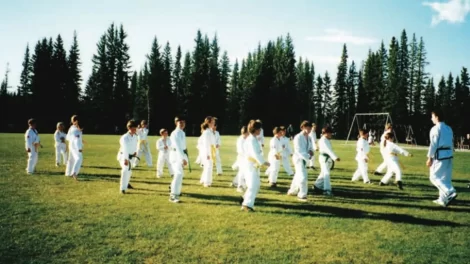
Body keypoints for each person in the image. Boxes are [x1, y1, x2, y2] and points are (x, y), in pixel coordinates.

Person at [426, 110, 457, 207]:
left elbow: (433, 144)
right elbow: (451, 142)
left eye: (432, 116)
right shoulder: (448, 128)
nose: (431, 119)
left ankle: (450, 191)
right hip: (449, 155)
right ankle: (442, 199)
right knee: (445, 178)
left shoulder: (435, 129)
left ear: (436, 117)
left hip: (440, 156)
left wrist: (429, 157)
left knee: (434, 177)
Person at [241, 120, 269, 211]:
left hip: (254, 164)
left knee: (256, 185)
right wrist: (263, 162)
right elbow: (254, 153)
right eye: (259, 129)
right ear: (255, 129)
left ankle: (245, 198)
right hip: (250, 164)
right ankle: (247, 205)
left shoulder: (254, 138)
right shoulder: (251, 140)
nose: (260, 131)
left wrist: (261, 161)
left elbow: (258, 152)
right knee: (253, 184)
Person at [287, 121, 314, 201]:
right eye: (307, 128)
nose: (309, 130)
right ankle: (302, 195)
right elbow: (299, 150)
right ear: (302, 128)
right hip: (298, 159)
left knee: (297, 176)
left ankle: (292, 191)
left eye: (310, 128)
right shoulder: (298, 137)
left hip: (305, 159)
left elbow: (310, 148)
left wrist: (311, 151)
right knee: (303, 177)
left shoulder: (309, 138)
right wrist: (308, 155)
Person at [313, 126, 340, 196]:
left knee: (323, 173)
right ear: (326, 133)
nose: (331, 134)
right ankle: (327, 190)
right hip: (324, 158)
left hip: (326, 158)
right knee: (326, 174)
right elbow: (328, 150)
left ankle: (317, 185)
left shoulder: (326, 140)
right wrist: (335, 157)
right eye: (330, 133)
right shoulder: (323, 140)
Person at [169, 116, 189, 203]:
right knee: (179, 174)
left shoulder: (182, 133)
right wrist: (182, 159)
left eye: (183, 122)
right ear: (176, 123)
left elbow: (183, 147)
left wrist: (185, 158)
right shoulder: (175, 133)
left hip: (180, 155)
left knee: (179, 175)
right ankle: (173, 196)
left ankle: (175, 190)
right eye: (180, 122)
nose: (182, 124)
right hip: (175, 156)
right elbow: (177, 147)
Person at [117, 120, 138, 194]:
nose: (135, 130)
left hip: (131, 156)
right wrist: (125, 159)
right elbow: (125, 149)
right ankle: (122, 188)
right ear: (129, 128)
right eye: (133, 129)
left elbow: (135, 145)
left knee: (129, 171)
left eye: (135, 129)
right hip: (124, 156)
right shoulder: (124, 137)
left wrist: (135, 152)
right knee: (125, 170)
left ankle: (127, 184)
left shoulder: (135, 136)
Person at [199, 116, 217, 187]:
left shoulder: (210, 131)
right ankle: (207, 182)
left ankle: (203, 179)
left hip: (211, 150)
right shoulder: (206, 132)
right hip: (207, 151)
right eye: (212, 122)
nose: (214, 123)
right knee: (209, 166)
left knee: (207, 166)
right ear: (208, 123)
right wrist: (207, 154)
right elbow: (206, 144)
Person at [65, 115, 83, 181]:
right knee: (79, 158)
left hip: (71, 146)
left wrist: (74, 139)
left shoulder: (72, 127)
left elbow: (67, 137)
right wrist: (79, 148)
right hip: (76, 147)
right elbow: (76, 140)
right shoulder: (75, 130)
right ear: (77, 121)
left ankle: (68, 173)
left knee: (71, 160)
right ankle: (74, 172)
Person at [232, 126, 249, 192]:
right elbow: (240, 150)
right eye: (248, 133)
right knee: (242, 171)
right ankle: (240, 186)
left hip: (246, 157)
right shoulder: (240, 140)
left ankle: (235, 182)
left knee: (242, 171)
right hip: (242, 157)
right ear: (245, 133)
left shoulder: (247, 139)